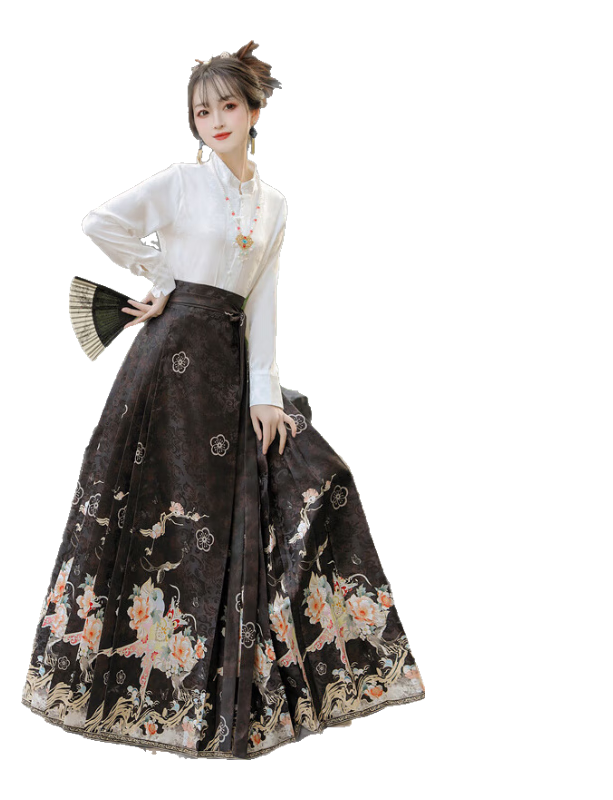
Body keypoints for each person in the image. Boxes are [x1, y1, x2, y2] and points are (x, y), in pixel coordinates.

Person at [21, 40, 425, 761]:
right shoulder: (179, 182)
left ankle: (223, 702)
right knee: (161, 528)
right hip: (167, 367)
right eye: (202, 111)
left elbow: (263, 300)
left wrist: (267, 394)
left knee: (305, 486)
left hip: (231, 369)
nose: (214, 121)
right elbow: (99, 223)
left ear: (254, 111)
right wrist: (161, 276)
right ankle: (147, 719)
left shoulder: (273, 203)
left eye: (228, 107)